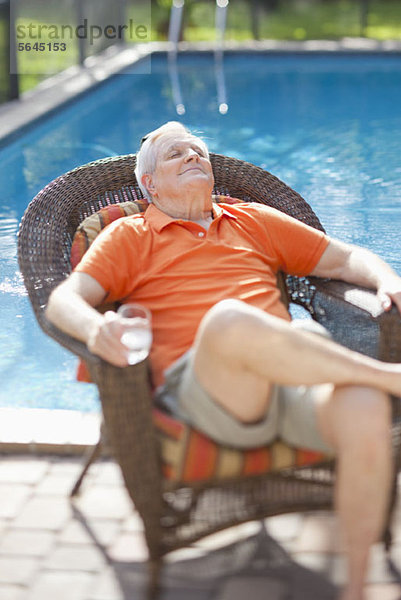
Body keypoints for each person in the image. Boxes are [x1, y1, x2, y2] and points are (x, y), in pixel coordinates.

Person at [46, 121, 401, 600]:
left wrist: (387, 280)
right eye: (177, 154)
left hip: (290, 383)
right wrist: (95, 327)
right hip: (208, 394)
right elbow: (64, 301)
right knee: (230, 320)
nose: (193, 157)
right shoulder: (128, 236)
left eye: (199, 151)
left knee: (364, 405)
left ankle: (355, 588)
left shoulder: (252, 219)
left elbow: (343, 260)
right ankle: (389, 378)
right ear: (149, 184)